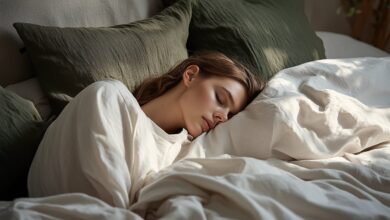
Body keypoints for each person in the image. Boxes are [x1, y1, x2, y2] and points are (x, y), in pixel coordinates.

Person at [27, 51, 264, 208]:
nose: (223, 116)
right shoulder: (109, 98)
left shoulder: (185, 153)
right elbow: (102, 207)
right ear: (190, 75)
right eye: (220, 98)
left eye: (230, 115)